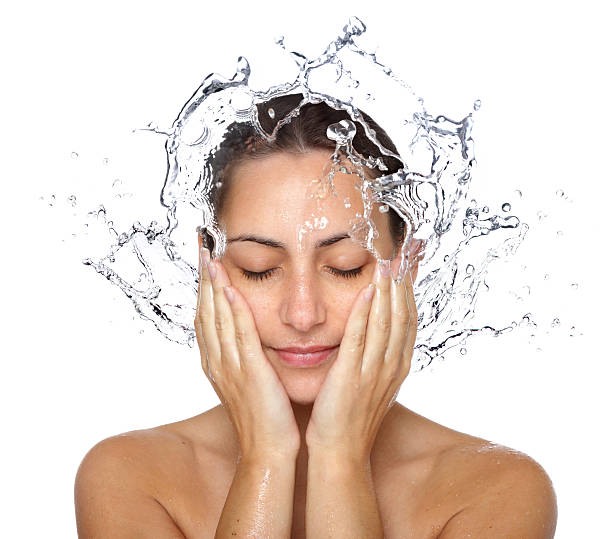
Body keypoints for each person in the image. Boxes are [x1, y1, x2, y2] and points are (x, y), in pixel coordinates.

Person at [74, 95, 557, 538]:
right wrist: (265, 456)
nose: (302, 314)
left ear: (406, 265)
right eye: (258, 269)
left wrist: (338, 459)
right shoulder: (129, 478)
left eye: (344, 268)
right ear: (210, 268)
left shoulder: (497, 490)